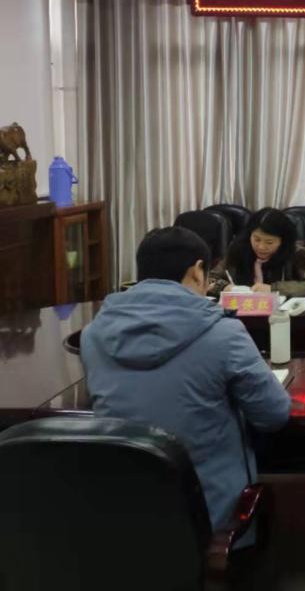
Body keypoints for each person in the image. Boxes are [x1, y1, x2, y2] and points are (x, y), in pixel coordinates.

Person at [80, 226, 292, 541]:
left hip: (123, 513)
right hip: (210, 519)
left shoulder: (92, 335)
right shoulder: (224, 333)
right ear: (197, 271)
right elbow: (274, 414)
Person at [208, 207, 305, 298]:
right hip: (242, 311)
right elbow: (210, 278)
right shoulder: (238, 248)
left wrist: (273, 289)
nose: (261, 247)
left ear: (283, 241)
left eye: (269, 242)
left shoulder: (296, 252)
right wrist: (224, 287)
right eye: (256, 239)